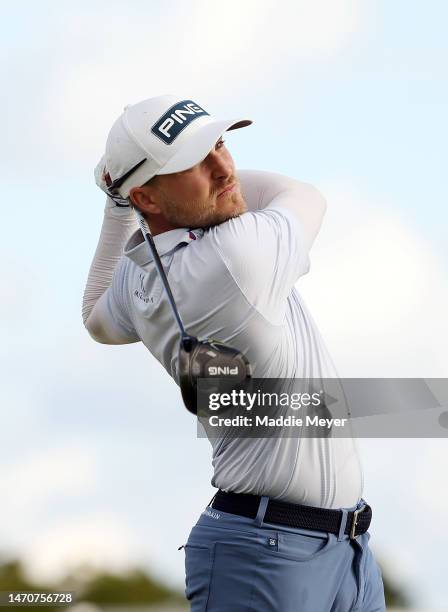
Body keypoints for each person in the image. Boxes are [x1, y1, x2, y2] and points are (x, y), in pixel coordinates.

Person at [82, 94, 386, 611]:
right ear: (150, 199)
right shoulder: (237, 254)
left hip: (344, 548)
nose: (225, 167)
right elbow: (303, 194)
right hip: (266, 552)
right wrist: (125, 199)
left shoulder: (141, 275)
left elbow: (95, 316)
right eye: (195, 162)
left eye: (220, 145)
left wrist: (119, 207)